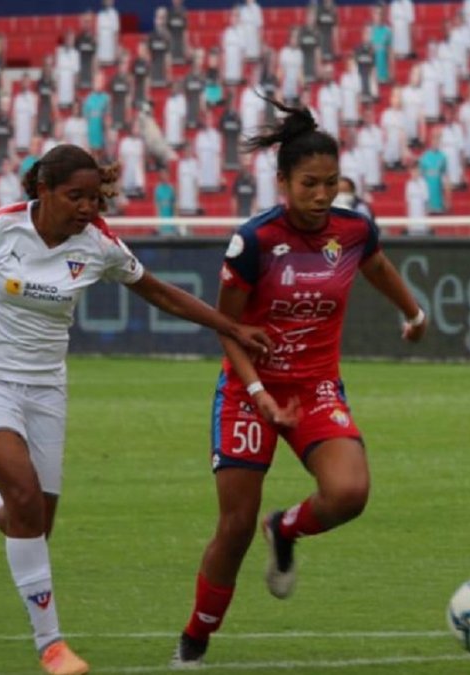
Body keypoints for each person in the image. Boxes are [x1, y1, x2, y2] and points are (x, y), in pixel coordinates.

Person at [0, 143, 273, 675]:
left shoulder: (99, 243)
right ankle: (51, 646)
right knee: (26, 498)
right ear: (43, 190)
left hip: (47, 388)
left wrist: (231, 326)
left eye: (94, 196)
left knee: (32, 521)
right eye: (75, 196)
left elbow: (161, 293)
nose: (87, 207)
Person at [169, 98, 427, 668]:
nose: (321, 194)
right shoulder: (255, 241)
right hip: (249, 390)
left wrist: (413, 312)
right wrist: (259, 394)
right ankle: (194, 642)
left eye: (331, 182)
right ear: (282, 181)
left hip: (314, 388)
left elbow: (377, 264)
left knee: (350, 494)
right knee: (233, 526)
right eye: (309, 183)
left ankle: (284, 530)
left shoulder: (354, 230)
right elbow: (227, 328)